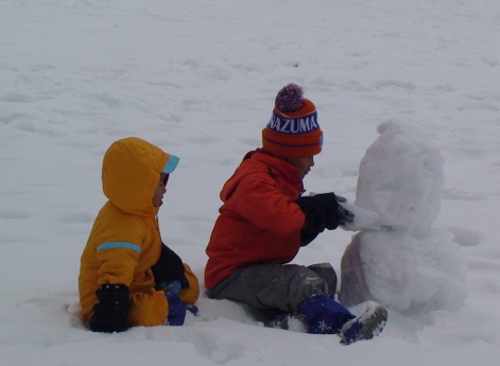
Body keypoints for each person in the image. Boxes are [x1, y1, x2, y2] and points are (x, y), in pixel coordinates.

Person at [204, 84, 387, 344]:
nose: (312, 163)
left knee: (324, 276)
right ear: (290, 152)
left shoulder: (278, 178)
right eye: (309, 156)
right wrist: (315, 210)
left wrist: (319, 219)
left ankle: (290, 321)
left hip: (257, 269)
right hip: (231, 277)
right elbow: (283, 219)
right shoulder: (255, 180)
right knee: (301, 283)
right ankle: (342, 326)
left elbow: (281, 228)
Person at [79, 137, 199, 333]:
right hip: (107, 297)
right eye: (160, 183)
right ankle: (164, 306)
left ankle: (166, 296)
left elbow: (147, 246)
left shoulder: (141, 210)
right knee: (150, 312)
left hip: (138, 278)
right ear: (140, 186)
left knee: (189, 285)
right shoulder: (122, 225)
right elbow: (115, 272)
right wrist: (109, 312)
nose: (165, 189)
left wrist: (168, 266)